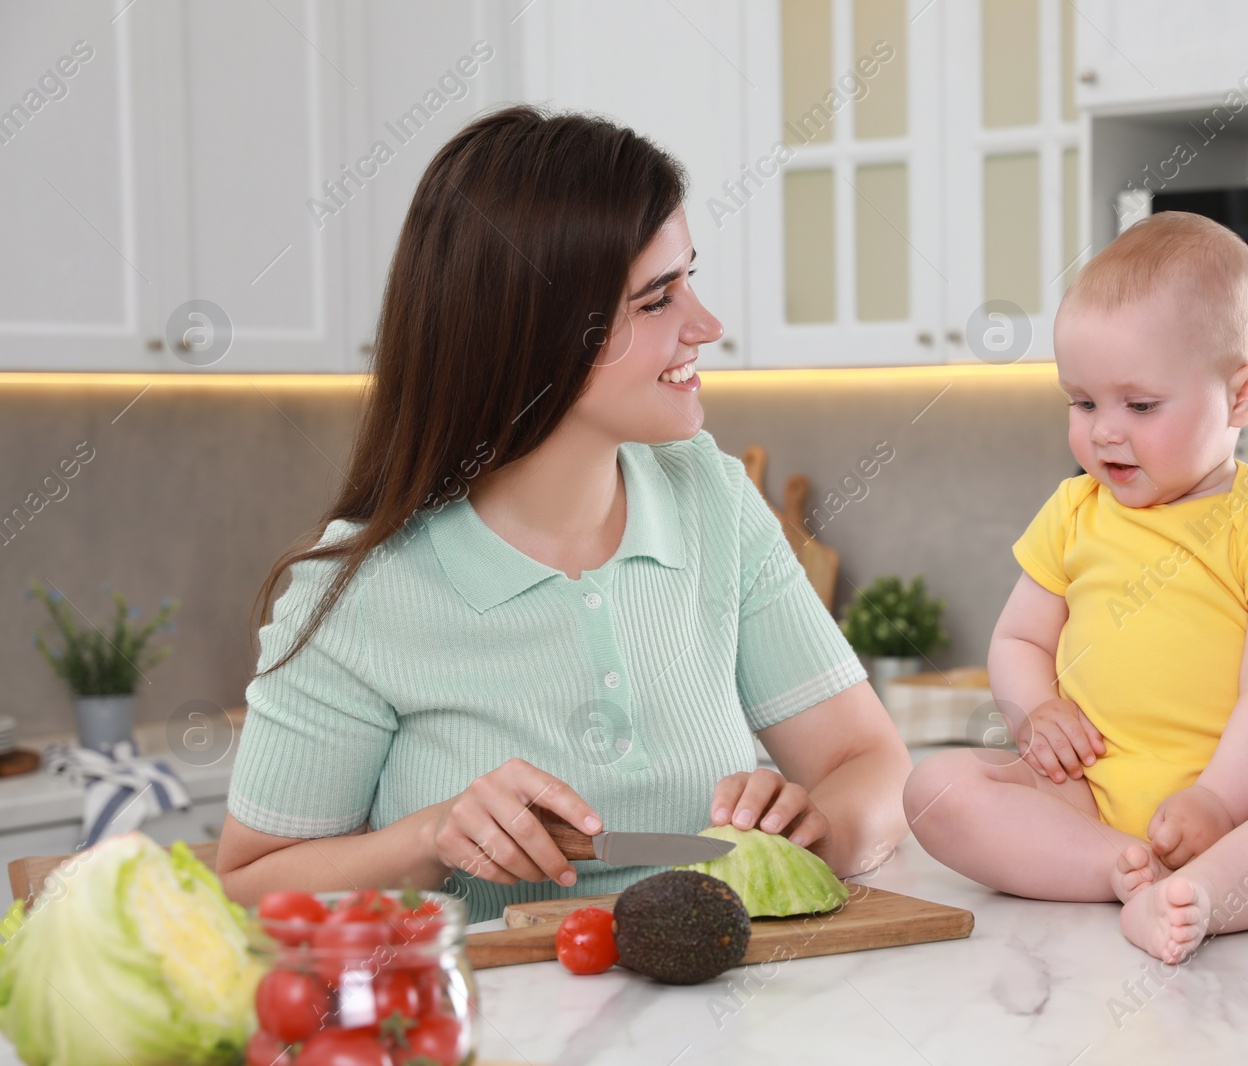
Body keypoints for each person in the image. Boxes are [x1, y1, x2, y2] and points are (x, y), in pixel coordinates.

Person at [216, 106, 911, 923]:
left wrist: (814, 829)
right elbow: (248, 884)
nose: (707, 326)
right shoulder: (361, 588)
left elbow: (872, 763)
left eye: (689, 277)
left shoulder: (712, 499)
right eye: (657, 301)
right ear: (541, 334)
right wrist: (431, 836)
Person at [903, 211, 1248, 963]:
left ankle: (1210, 891)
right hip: (1086, 798)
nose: (1104, 432)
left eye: (1141, 405)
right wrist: (1036, 713)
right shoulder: (1072, 511)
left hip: (1239, 803)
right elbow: (1020, 638)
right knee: (936, 786)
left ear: (1246, 394)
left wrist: (1218, 801)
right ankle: (1114, 870)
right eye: (1083, 402)